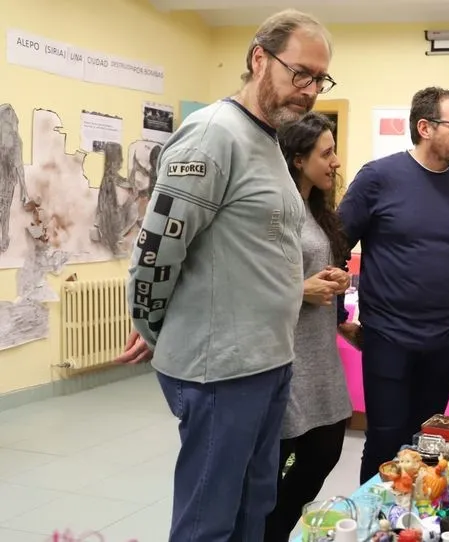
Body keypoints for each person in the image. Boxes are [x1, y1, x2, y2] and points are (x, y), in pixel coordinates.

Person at [115, 9, 337, 541]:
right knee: (208, 522)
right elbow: (155, 254)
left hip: (269, 362)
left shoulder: (269, 140)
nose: (309, 91)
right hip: (221, 373)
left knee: (253, 509)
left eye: (319, 79)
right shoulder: (213, 134)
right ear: (259, 58)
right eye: (300, 73)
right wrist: (158, 330)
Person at [337, 86, 449, 484]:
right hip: (387, 338)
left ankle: (415, 514)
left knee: (427, 443)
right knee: (385, 443)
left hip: (442, 340)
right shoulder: (378, 178)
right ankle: (376, 516)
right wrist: (338, 315)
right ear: (425, 127)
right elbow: (335, 245)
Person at [263, 111, 354, 542]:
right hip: (284, 355)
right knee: (273, 468)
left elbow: (315, 266)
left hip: (320, 355)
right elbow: (251, 282)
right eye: (326, 153)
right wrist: (301, 290)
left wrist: (339, 278)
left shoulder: (316, 209)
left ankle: (274, 529)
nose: (335, 161)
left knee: (325, 451)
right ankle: (267, 532)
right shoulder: (274, 209)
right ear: (298, 159)